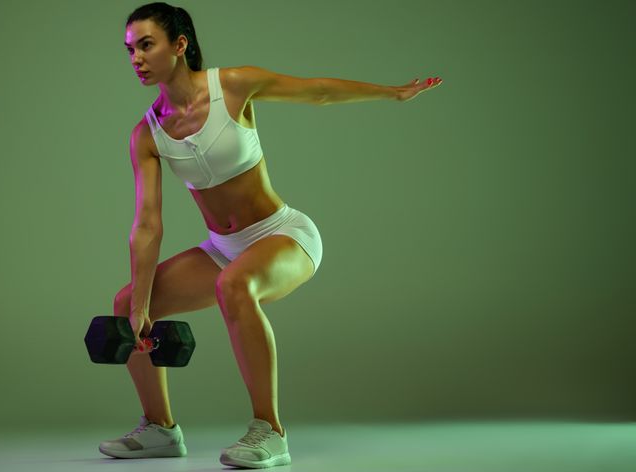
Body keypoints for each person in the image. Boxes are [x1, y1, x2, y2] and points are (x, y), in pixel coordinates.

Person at [98, 2, 442, 468]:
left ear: (179, 46)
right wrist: (141, 305)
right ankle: (159, 428)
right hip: (223, 248)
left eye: (146, 45)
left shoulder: (232, 86)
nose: (136, 57)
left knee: (235, 286)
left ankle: (270, 431)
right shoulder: (148, 132)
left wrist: (393, 93)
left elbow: (317, 91)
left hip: (284, 234)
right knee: (126, 303)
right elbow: (147, 224)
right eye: (129, 50)